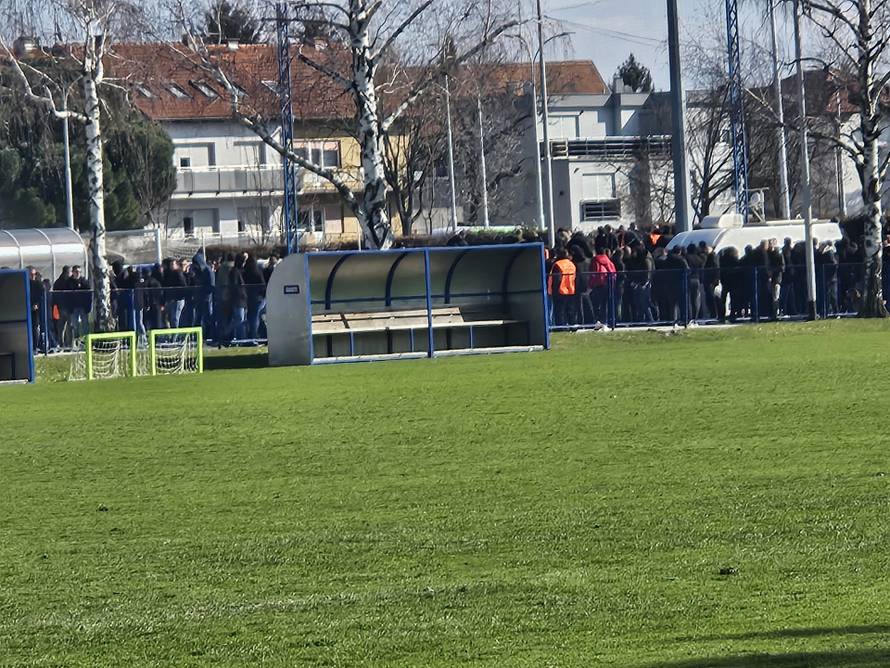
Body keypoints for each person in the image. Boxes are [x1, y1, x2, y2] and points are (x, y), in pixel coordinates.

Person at [548, 247, 576, 327]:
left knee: (559, 311)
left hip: (560, 290)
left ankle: (560, 327)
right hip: (571, 289)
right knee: (570, 310)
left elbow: (557, 279)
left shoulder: (558, 264)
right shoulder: (571, 264)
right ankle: (572, 325)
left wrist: (553, 290)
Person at [589, 245, 616, 324]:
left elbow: (592, 273)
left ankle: (598, 320)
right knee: (605, 304)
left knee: (596, 304)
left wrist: (590, 285)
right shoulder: (608, 261)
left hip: (597, 284)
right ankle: (607, 320)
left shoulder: (595, 260)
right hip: (607, 284)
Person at [242, 253, 266, 339]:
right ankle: (256, 335)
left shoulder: (245, 273)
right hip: (258, 298)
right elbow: (263, 285)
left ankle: (253, 335)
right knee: (256, 317)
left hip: (249, 298)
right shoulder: (258, 272)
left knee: (252, 317)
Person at [65, 265, 89, 345]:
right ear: (73, 272)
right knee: (75, 326)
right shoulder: (69, 282)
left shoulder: (84, 281)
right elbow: (67, 294)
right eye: (76, 272)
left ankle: (86, 342)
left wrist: (88, 306)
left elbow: (88, 293)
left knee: (85, 325)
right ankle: (76, 342)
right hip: (73, 307)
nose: (78, 273)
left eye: (79, 272)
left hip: (83, 307)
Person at [227, 254, 248, 341]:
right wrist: (242, 294)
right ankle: (227, 332)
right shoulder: (235, 272)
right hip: (238, 299)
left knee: (241, 319)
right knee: (239, 318)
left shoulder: (238, 271)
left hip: (241, 299)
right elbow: (235, 286)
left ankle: (241, 337)